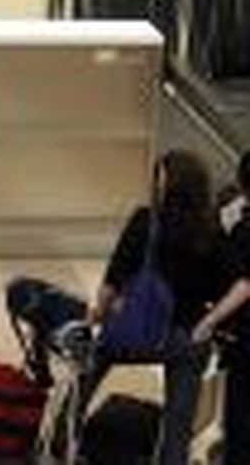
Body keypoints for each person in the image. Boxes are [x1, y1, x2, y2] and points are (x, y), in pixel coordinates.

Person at [84, 150, 228, 465]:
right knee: (179, 423)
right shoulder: (212, 230)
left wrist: (98, 315)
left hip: (138, 334)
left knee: (91, 361)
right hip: (187, 339)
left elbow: (113, 279)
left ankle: (61, 436)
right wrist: (208, 324)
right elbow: (220, 290)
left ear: (169, 185)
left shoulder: (145, 221)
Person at [192, 152, 250, 465]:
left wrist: (209, 322)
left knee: (240, 428)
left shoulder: (242, 230)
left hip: (245, 344)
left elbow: (244, 284)